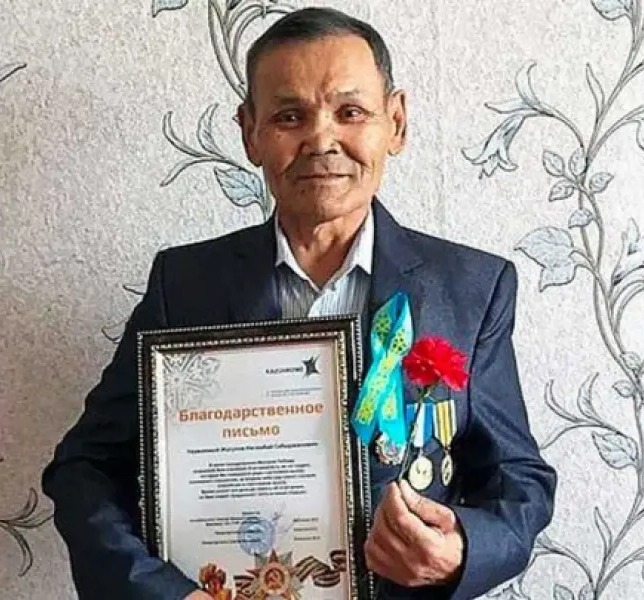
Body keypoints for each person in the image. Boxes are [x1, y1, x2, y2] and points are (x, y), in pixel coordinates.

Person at [42, 7, 557, 600]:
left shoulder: (472, 288)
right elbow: (85, 468)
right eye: (290, 116)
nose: (321, 140)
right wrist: (162, 593)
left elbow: (518, 480)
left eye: (350, 112)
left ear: (396, 123)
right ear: (250, 133)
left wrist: (462, 548)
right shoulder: (183, 286)